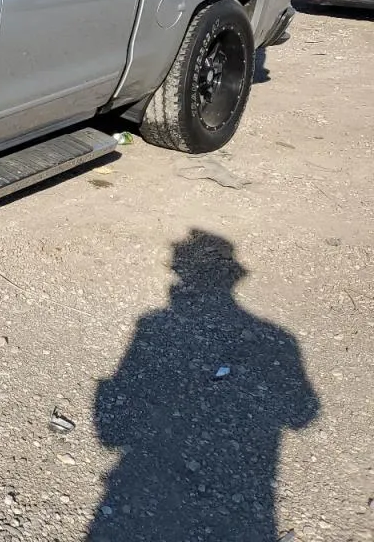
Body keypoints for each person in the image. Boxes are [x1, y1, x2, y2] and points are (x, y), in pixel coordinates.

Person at [89, 229, 319, 541]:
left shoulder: (152, 325)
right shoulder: (279, 339)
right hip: (243, 492)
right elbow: (302, 413)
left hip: (146, 489)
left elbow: (111, 433)